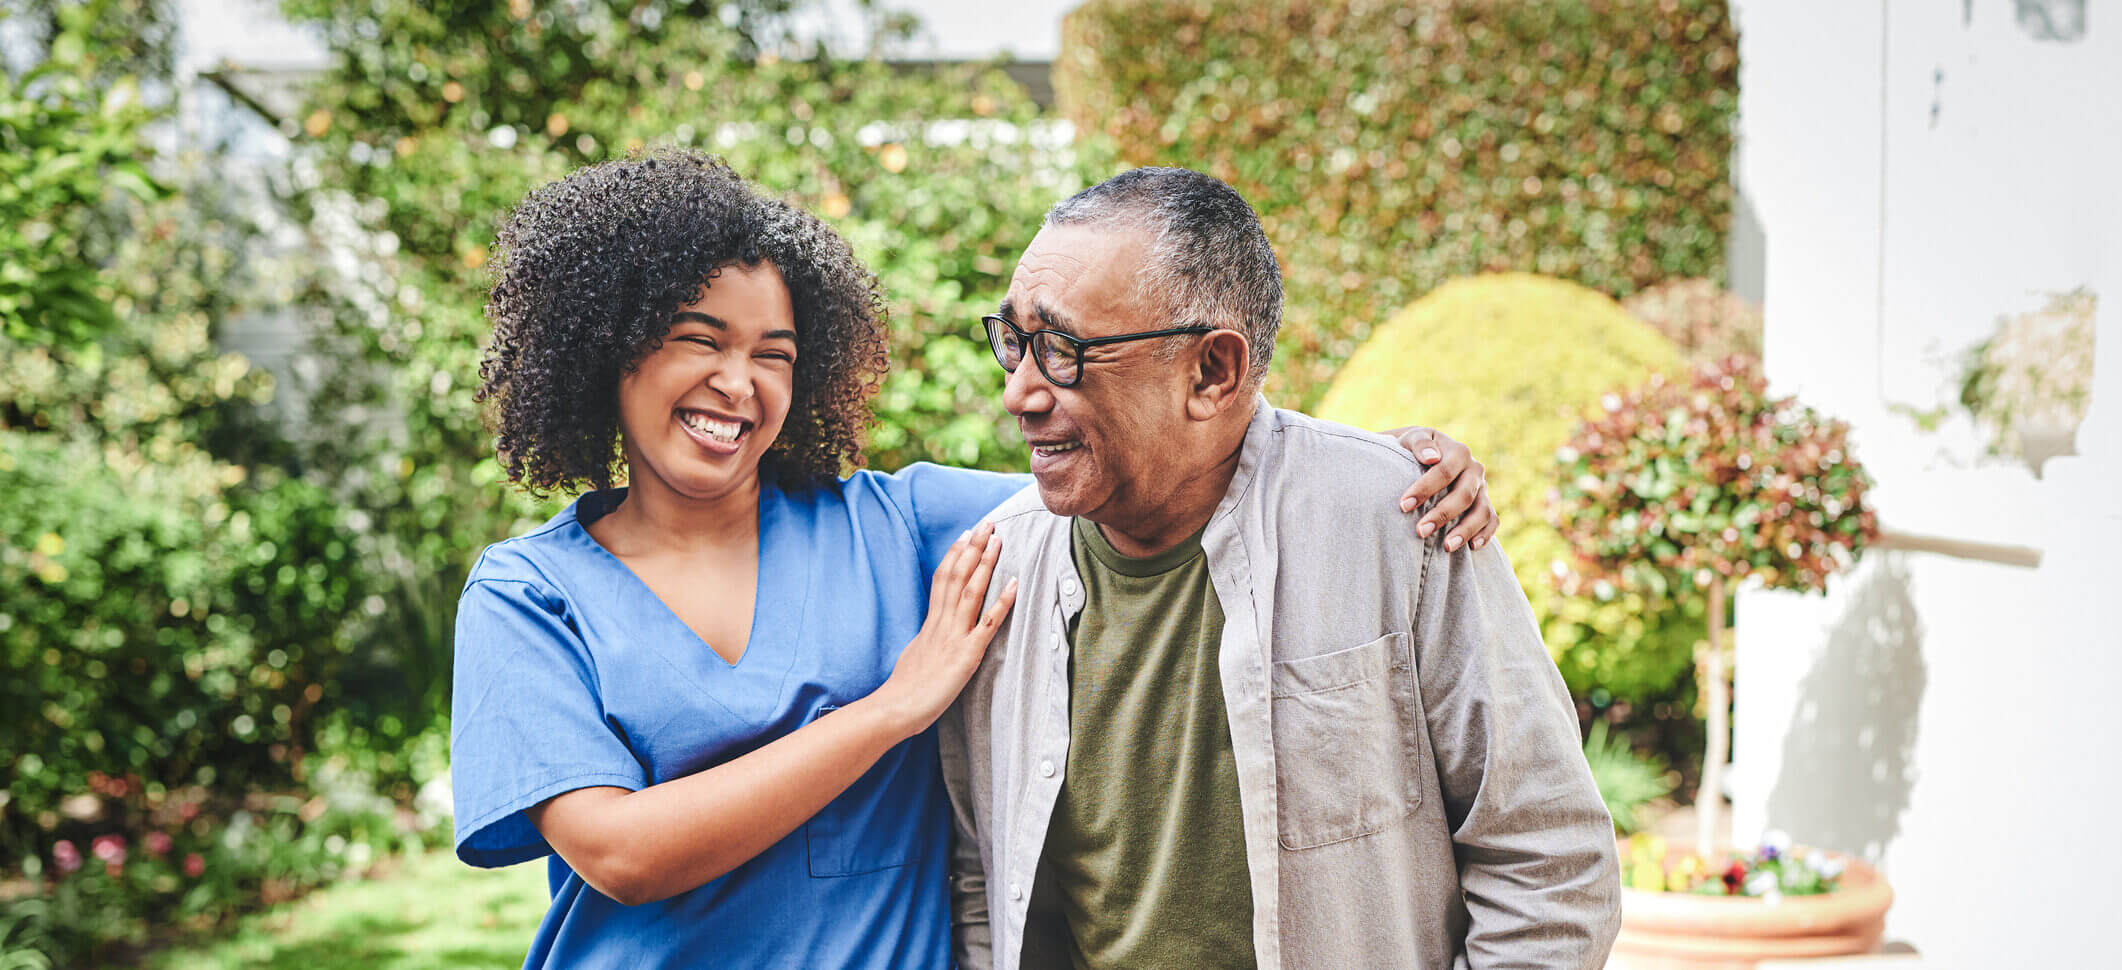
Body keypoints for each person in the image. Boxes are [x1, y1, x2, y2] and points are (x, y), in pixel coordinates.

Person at [447, 150, 1500, 969]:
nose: (740, 381)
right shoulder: (530, 594)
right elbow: (621, 854)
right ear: (607, 348)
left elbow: (1156, 464)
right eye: (698, 338)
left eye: (773, 352)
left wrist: (1385, 461)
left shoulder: (899, 526)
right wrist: (892, 708)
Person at [941, 167, 1622, 970]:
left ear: (1212, 373)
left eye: (1062, 350)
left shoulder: (1400, 521)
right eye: (1015, 341)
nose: (1019, 390)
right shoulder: (994, 571)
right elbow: (982, 881)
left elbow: (1548, 860)